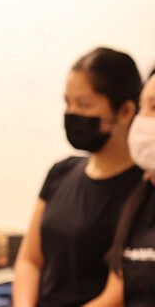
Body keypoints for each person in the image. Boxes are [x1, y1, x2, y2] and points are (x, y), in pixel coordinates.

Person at [12, 47, 144, 307]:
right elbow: (29, 260)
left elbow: (118, 293)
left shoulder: (143, 190)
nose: (72, 113)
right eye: (67, 102)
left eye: (83, 105)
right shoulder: (61, 172)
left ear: (126, 111)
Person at [105, 68, 155, 306]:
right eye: (143, 107)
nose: (143, 119)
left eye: (154, 108)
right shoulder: (140, 198)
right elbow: (114, 295)